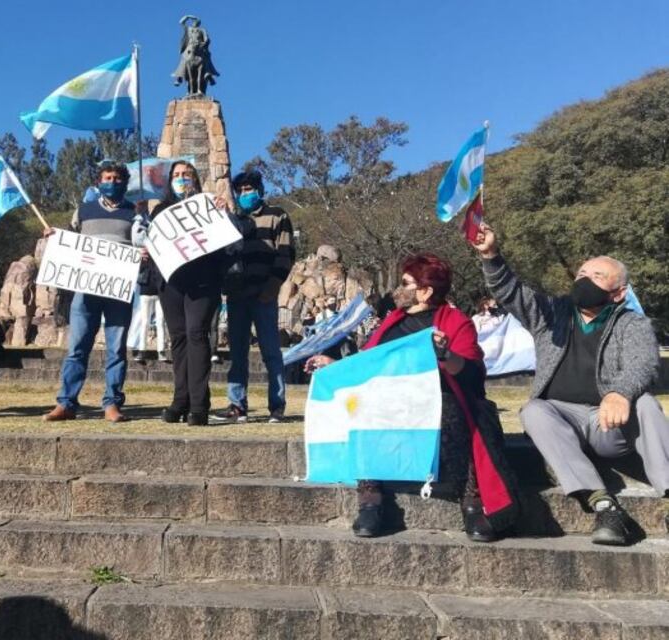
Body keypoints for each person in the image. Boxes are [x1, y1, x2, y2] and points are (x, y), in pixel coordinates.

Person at [472, 223, 668, 546]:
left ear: (618, 293)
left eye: (597, 276)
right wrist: (491, 255)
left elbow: (644, 363)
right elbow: (511, 292)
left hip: (609, 425)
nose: (584, 280)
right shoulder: (551, 314)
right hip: (562, 421)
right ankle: (603, 506)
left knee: (645, 402)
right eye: (581, 273)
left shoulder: (632, 323)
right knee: (533, 410)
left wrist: (620, 392)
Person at [305, 253, 521, 542]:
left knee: (453, 409)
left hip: (439, 402)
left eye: (406, 283)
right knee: (364, 404)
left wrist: (446, 354)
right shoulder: (391, 323)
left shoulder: (455, 322)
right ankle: (370, 496)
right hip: (392, 403)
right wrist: (332, 365)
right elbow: (367, 362)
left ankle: (471, 499)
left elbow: (471, 374)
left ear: (426, 291)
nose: (399, 289)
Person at [43, 160, 138, 423]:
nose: (112, 182)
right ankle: (66, 403)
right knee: (77, 348)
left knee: (116, 349)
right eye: (107, 178)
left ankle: (112, 403)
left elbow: (144, 242)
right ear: (99, 182)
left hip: (118, 289)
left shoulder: (135, 212)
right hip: (85, 291)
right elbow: (70, 240)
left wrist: (143, 253)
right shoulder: (83, 210)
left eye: (117, 178)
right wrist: (55, 236)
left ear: (125, 182)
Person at [137, 161, 226, 426]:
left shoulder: (209, 205)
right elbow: (153, 243)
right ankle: (181, 400)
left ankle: (198, 406)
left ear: (195, 179)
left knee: (197, 334)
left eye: (186, 174)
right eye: (176, 175)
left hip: (203, 281)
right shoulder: (160, 210)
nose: (181, 178)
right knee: (178, 339)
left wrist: (224, 211)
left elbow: (226, 237)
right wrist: (147, 251)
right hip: (171, 283)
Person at [219, 170, 295, 423]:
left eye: (249, 189)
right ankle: (237, 405)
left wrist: (272, 287)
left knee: (271, 352)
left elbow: (285, 253)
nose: (245, 193)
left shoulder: (277, 215)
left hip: (264, 295)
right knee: (237, 353)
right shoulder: (233, 219)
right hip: (237, 296)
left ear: (260, 190)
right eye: (240, 190)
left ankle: (277, 405)